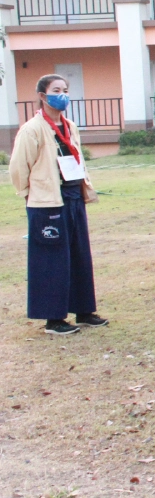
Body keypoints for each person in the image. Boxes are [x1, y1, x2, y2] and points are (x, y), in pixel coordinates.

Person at [10, 74, 105, 335]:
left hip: (73, 196)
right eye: (56, 90)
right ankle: (54, 318)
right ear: (42, 96)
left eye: (65, 90)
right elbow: (19, 167)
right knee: (51, 259)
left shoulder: (69, 125)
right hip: (47, 201)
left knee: (79, 255)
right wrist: (31, 193)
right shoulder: (32, 129)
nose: (62, 95)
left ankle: (84, 310)